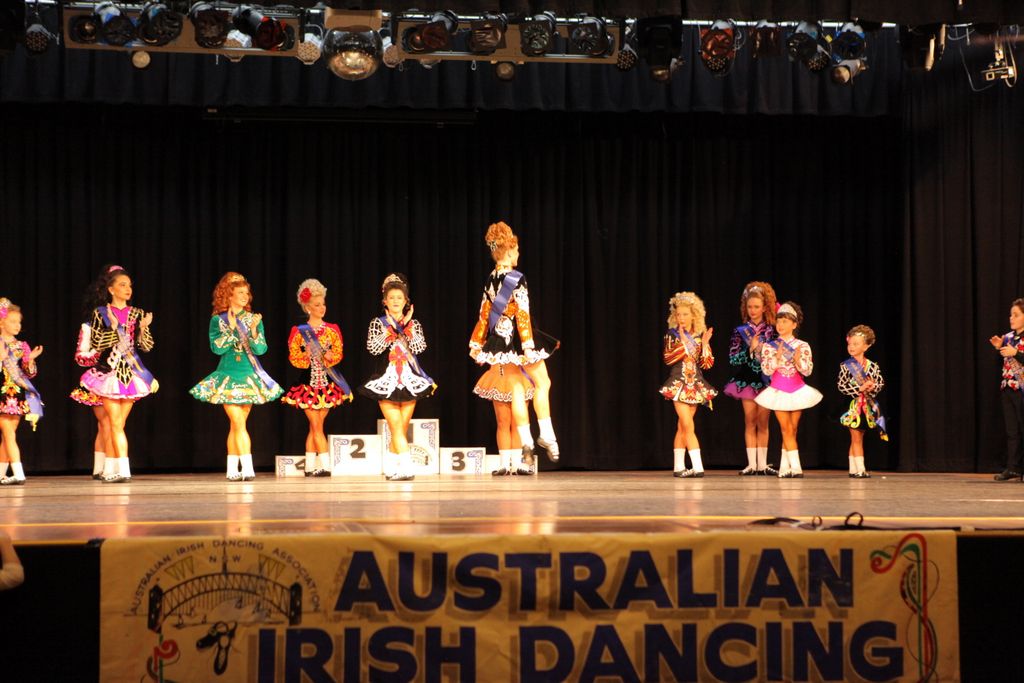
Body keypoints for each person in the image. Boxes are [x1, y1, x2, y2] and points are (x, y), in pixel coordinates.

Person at [468, 222, 545, 476]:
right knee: (508, 416)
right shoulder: (513, 278)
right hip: (509, 350)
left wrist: (477, 343)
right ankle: (508, 462)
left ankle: (519, 462)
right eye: (517, 249)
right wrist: (528, 346)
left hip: (504, 352)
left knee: (510, 415)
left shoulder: (494, 278)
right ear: (510, 250)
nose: (519, 253)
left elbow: (485, 316)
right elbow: (519, 315)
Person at [190, 272, 282, 481]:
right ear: (229, 295)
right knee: (238, 422)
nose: (245, 296)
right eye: (240, 293)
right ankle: (247, 467)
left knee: (236, 425)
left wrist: (254, 330)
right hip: (227, 375)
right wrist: (231, 329)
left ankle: (232, 469)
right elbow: (217, 348)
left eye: (246, 293)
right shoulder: (218, 320)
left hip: (249, 375)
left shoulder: (254, 319)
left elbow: (261, 349)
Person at [78, 265, 157, 483]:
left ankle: (115, 469)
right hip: (109, 373)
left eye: (129, 285)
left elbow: (147, 346)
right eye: (122, 285)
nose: (128, 289)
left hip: (130, 374)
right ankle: (119, 469)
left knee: (118, 425)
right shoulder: (101, 313)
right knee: (113, 423)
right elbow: (97, 343)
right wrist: (113, 328)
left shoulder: (137, 313)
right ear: (111, 289)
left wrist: (143, 329)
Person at [358, 273, 434, 481]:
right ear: (385, 301)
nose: (395, 301)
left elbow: (420, 347)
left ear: (406, 301)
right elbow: (373, 348)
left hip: (410, 380)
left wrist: (407, 328)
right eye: (391, 298)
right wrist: (391, 329)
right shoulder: (378, 323)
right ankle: (407, 467)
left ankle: (392, 467)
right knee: (395, 425)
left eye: (399, 298)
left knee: (400, 427)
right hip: (386, 379)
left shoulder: (413, 324)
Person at [282, 278, 352, 477]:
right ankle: (326, 465)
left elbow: (338, 354)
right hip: (307, 385)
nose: (322, 308)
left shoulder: (332, 329)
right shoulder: (299, 332)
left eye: (323, 304)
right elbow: (294, 358)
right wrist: (307, 354)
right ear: (307, 307)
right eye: (317, 305)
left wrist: (330, 356)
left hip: (328, 384)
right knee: (316, 425)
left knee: (316, 426)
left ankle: (309, 466)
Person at [755, 302, 822, 478]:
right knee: (785, 428)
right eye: (779, 321)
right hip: (778, 390)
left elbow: (807, 371)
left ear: (794, 324)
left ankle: (785, 468)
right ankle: (797, 468)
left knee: (792, 429)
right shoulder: (770, 346)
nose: (780, 325)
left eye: (785, 321)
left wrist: (798, 360)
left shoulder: (802, 345)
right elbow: (766, 370)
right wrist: (776, 358)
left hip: (797, 389)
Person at [723, 281, 778, 475]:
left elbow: (778, 355)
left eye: (756, 307)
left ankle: (762, 465)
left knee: (763, 422)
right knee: (750, 420)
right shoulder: (740, 331)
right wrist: (749, 350)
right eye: (749, 307)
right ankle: (751, 464)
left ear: (764, 307)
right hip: (746, 380)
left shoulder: (772, 329)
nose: (753, 310)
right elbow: (733, 359)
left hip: (766, 380)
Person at [659, 292, 716, 477]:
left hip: (695, 384)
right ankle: (698, 467)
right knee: (687, 424)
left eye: (685, 314)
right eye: (678, 314)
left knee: (682, 427)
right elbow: (668, 358)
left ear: (693, 315)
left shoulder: (699, 336)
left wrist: (705, 345)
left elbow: (706, 364)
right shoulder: (672, 335)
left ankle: (678, 467)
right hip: (679, 383)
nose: (681, 318)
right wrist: (683, 344)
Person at [0, 299, 43, 485]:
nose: (17, 325)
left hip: (16, 394)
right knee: (9, 433)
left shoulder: (22, 345)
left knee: (8, 435)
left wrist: (30, 360)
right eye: (13, 321)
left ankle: (1, 474)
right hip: (1, 392)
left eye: (19, 322)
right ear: (1, 323)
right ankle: (18, 473)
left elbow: (29, 374)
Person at [838, 325, 888, 478]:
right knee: (856, 437)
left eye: (856, 344)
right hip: (852, 406)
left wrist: (872, 386)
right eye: (850, 344)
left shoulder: (873, 366)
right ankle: (860, 469)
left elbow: (880, 383)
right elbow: (841, 385)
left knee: (858, 437)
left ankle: (853, 469)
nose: (851, 347)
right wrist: (859, 388)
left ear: (866, 346)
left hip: (867, 405)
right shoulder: (846, 366)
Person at [70, 314, 114, 481]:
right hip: (100, 379)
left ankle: (101, 467)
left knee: (109, 425)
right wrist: (99, 349)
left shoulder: (124, 324)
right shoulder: (89, 327)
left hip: (120, 378)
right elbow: (81, 357)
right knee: (106, 423)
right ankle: (107, 467)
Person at [990, 298, 1024, 481]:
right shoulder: (1009, 337)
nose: (1011, 318)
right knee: (1013, 432)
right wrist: (999, 348)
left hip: (1022, 389)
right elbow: (1006, 361)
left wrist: (1016, 353)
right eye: (1011, 315)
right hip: (1008, 388)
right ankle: (1014, 468)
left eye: (1016, 315)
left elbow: (1017, 357)